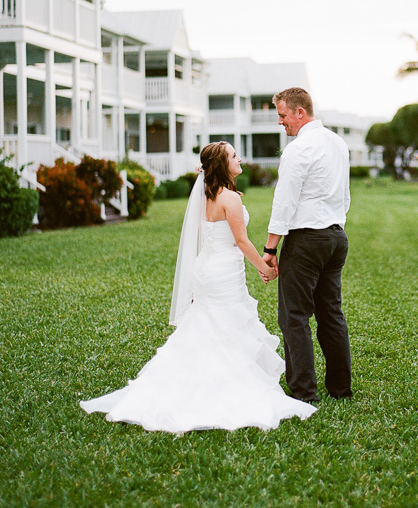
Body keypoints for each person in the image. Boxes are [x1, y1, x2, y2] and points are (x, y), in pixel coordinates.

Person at [80, 142, 316, 433]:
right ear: (222, 164)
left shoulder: (205, 196)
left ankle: (186, 382)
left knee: (205, 325)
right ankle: (224, 388)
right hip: (224, 272)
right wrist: (265, 267)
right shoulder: (229, 198)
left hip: (205, 268)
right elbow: (241, 241)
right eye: (233, 155)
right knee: (226, 327)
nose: (239, 158)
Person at [262, 88, 353, 405]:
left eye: (283, 115)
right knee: (331, 314)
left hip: (306, 239)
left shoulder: (298, 149)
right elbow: (345, 196)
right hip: (336, 237)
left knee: (294, 317)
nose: (280, 122)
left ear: (301, 112)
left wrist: (271, 249)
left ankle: (303, 392)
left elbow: (284, 202)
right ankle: (341, 389)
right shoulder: (337, 143)